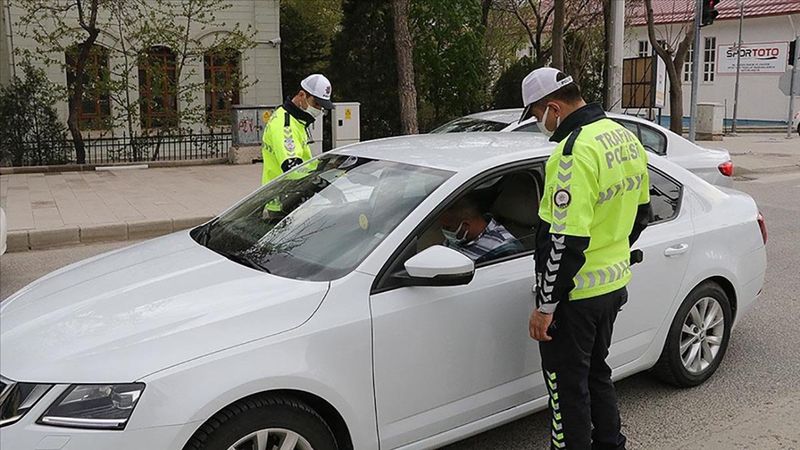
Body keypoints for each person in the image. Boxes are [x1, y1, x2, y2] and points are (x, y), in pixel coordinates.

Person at [522, 67, 652, 450]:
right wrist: (610, 248)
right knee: (597, 373)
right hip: (613, 284)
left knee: (566, 389)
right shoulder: (623, 137)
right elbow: (641, 214)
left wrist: (546, 305)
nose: (539, 123)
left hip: (575, 297)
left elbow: (564, 240)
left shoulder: (572, 152)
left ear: (553, 108)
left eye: (536, 114)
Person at [261, 74, 334, 186]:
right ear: (302, 95)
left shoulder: (293, 118)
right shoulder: (286, 126)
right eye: (316, 104)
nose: (319, 109)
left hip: (288, 190)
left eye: (322, 106)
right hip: (284, 193)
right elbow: (293, 169)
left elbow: (304, 159)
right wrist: (323, 185)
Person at [439, 196, 523, 263]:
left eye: (447, 228)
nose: (444, 231)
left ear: (465, 225)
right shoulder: (460, 236)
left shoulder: (503, 249)